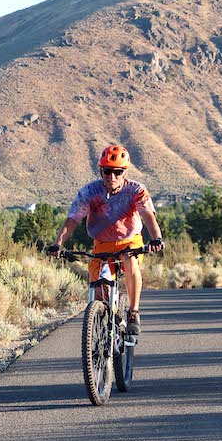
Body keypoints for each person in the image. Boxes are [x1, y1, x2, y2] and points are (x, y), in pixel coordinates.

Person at [48, 144, 164, 337]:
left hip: (130, 241)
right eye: (107, 171)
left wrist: (156, 238)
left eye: (118, 172)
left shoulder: (136, 190)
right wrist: (57, 244)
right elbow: (73, 219)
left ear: (125, 172)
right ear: (101, 171)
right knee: (99, 289)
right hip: (102, 245)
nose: (112, 177)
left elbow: (148, 216)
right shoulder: (89, 192)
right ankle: (103, 328)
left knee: (129, 259)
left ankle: (133, 312)